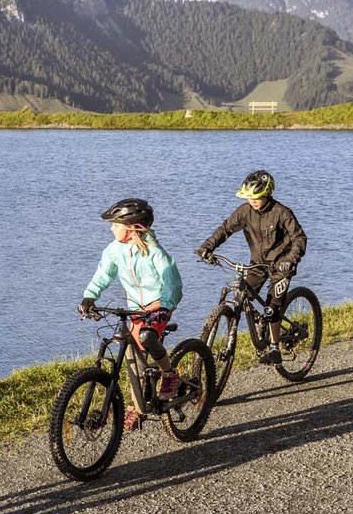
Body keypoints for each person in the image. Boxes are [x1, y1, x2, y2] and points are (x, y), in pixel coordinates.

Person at [79, 197, 183, 431]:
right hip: (134, 307)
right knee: (131, 356)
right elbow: (103, 275)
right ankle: (139, 402)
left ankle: (169, 374)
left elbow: (173, 284)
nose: (111, 228)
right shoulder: (114, 250)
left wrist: (164, 307)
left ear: (132, 227)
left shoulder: (155, 253)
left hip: (157, 305)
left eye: (115, 224)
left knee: (146, 338)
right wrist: (90, 296)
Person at [194, 170, 308, 363]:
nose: (252, 201)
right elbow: (225, 229)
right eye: (248, 197)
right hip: (258, 264)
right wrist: (207, 246)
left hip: (281, 265)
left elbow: (299, 238)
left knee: (273, 306)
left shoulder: (282, 212)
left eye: (256, 197)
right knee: (244, 295)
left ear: (267, 193)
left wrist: (290, 260)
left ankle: (274, 347)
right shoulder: (244, 211)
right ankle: (258, 321)